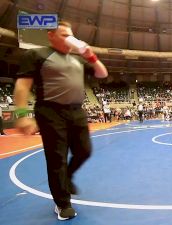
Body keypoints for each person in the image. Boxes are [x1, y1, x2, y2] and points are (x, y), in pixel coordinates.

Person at [14, 21, 108, 220]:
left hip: (76, 111)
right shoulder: (36, 55)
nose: (69, 39)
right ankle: (62, 203)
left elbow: (102, 73)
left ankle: (68, 176)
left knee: (84, 150)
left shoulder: (78, 60)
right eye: (64, 35)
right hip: (50, 111)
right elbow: (22, 86)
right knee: (57, 159)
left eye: (71, 35)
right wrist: (22, 115)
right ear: (51, 35)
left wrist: (89, 54)